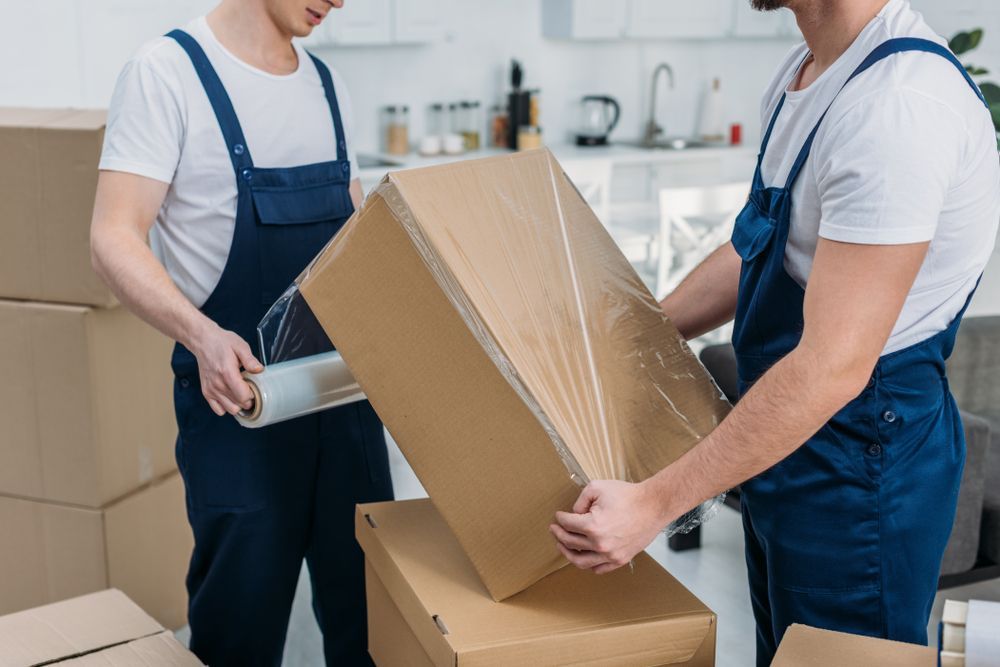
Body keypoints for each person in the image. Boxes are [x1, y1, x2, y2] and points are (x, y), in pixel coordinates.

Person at [550, 0, 999, 664]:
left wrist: (653, 502)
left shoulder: (896, 107)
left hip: (861, 463)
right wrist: (640, 331)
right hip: (791, 441)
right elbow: (762, 249)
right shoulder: (810, 72)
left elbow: (832, 367)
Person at [90, 1, 393, 664]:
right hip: (240, 406)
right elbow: (113, 236)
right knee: (240, 631)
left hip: (346, 403)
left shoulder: (327, 85)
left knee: (373, 625)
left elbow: (355, 242)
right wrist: (200, 335)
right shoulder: (167, 73)